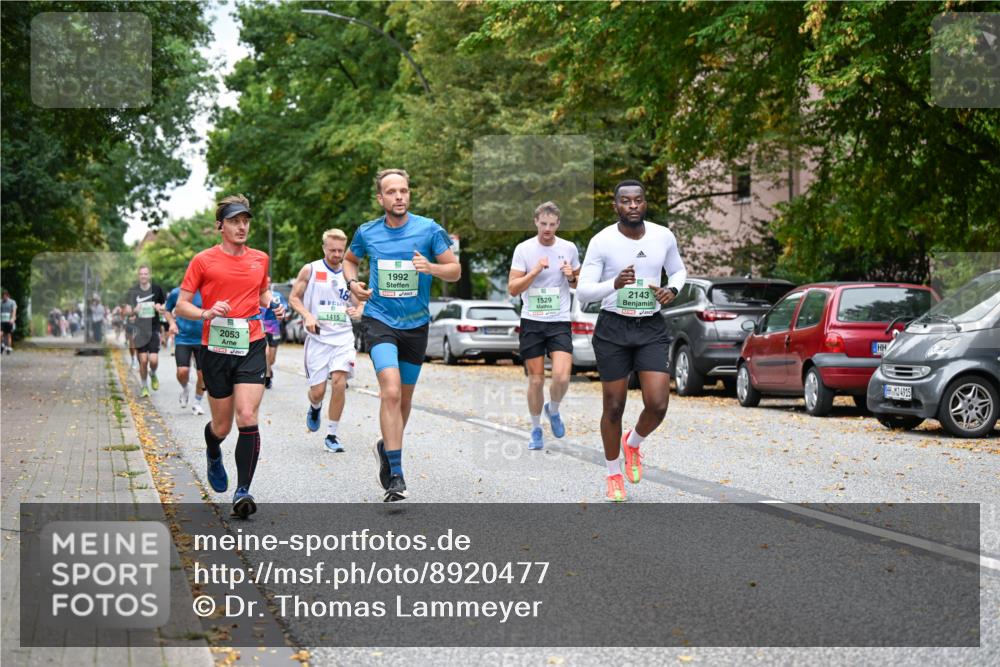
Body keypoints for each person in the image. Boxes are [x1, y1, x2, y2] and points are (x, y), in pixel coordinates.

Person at [344, 169, 460, 501]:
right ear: (380, 198)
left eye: (404, 191)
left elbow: (454, 270)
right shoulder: (367, 232)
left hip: (416, 325)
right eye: (392, 192)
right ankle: (396, 474)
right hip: (379, 321)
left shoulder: (429, 229)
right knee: (391, 392)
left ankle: (386, 447)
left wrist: (432, 268)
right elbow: (350, 261)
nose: (399, 197)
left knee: (404, 400)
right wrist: (353, 284)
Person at [576, 180, 687, 502]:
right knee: (613, 405)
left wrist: (673, 290)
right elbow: (583, 291)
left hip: (650, 325)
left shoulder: (663, 236)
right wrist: (613, 283)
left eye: (638, 200)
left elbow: (678, 271)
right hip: (613, 328)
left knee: (658, 403)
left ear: (645, 203)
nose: (633, 205)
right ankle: (613, 473)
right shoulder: (602, 241)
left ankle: (633, 443)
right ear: (616, 206)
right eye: (626, 201)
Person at [174, 194, 284, 519]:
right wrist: (206, 312)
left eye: (246, 220)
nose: (242, 226)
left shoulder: (260, 259)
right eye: (235, 221)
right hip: (216, 348)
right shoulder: (203, 260)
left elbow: (261, 291)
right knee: (221, 427)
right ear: (220, 226)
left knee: (247, 415)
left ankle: (243, 490)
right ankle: (212, 450)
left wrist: (270, 303)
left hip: (251, 342)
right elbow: (182, 305)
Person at [508, 201, 581, 450]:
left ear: (558, 224)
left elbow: (578, 284)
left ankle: (554, 409)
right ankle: (536, 428)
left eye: (552, 224)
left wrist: (572, 276)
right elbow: (513, 288)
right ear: (536, 222)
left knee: (561, 376)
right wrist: (535, 271)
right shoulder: (524, 249)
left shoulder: (569, 248)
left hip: (559, 320)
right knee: (536, 381)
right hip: (532, 321)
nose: (547, 228)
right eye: (543, 223)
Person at [289, 228, 359, 453]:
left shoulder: (350, 275)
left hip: (343, 338)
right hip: (318, 339)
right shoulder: (311, 269)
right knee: (318, 391)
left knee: (339, 382)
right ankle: (315, 406)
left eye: (341, 250)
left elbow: (362, 301)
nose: (337, 254)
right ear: (324, 248)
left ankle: (332, 434)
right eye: (332, 250)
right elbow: (293, 298)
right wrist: (307, 315)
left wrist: (360, 310)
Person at [124, 266, 166, 397]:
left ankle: (153, 374)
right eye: (141, 274)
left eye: (146, 274)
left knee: (153, 360)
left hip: (153, 328)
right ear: (138, 276)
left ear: (149, 275)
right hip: (140, 329)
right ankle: (144, 386)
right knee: (143, 360)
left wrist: (159, 307)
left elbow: (164, 307)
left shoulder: (157, 289)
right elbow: (127, 310)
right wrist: (133, 310)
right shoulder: (133, 291)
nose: (143, 276)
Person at [164, 286, 207, 415]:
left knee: (202, 374)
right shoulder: (177, 292)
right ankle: (185, 387)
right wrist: (172, 323)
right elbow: (167, 310)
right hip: (183, 337)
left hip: (203, 338)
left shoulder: (207, 290)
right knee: (182, 371)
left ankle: (197, 403)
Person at [260, 282, 288, 389]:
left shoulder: (277, 295)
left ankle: (268, 369)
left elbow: (284, 307)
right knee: (265, 352)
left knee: (271, 359)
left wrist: (282, 311)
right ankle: (266, 377)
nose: (266, 283)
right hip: (261, 328)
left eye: (267, 281)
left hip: (274, 328)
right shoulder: (256, 294)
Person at [1, 289, 17, 354]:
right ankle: (2, 344)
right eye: (3, 296)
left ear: (8, 296)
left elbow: (14, 311)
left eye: (5, 296)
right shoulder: (1, 302)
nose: (4, 298)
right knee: (1, 333)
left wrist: (13, 318)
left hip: (9, 321)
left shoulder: (12, 302)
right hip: (2, 321)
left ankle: (8, 347)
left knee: (8, 334)